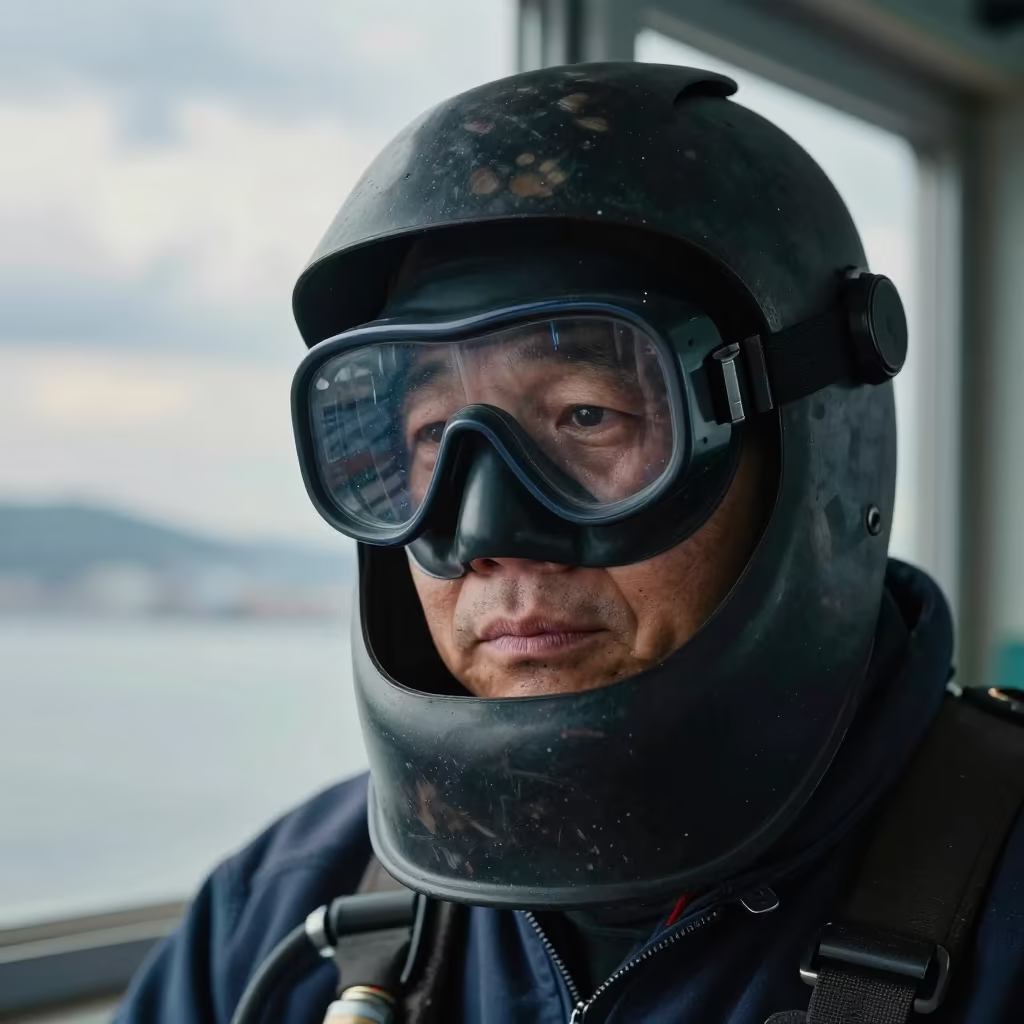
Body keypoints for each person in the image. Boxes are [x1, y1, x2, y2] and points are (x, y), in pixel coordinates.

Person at [116, 63, 1024, 1024]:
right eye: (433, 439)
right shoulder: (280, 906)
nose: (488, 538)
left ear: (808, 451)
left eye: (588, 417)